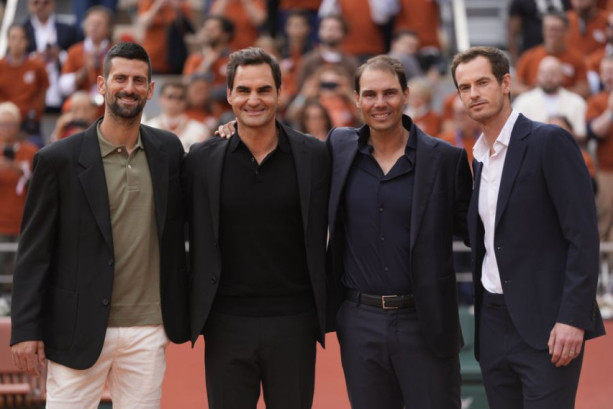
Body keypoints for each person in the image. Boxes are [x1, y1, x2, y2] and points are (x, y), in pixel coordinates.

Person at [10, 42, 189, 409]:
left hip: (148, 327)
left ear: (151, 90)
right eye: (120, 78)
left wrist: (230, 132)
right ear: (102, 84)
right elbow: (34, 251)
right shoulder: (58, 159)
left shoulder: (169, 150)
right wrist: (25, 328)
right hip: (76, 325)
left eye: (138, 80)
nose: (129, 88)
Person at [451, 46, 604, 409]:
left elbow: (583, 237)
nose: (473, 94)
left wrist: (572, 318)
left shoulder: (548, 141)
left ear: (506, 83)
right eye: (464, 87)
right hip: (492, 323)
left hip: (548, 325)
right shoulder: (479, 158)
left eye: (482, 82)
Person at [182, 47, 329, 409]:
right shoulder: (201, 159)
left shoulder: (314, 155)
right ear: (229, 95)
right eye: (244, 90)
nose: (253, 99)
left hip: (295, 321)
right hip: (225, 322)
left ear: (280, 93)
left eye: (264, 90)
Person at [326, 55, 472, 409]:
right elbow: (289, 154)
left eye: (389, 93)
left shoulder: (445, 160)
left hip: (425, 322)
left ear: (406, 95)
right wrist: (235, 130)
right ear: (357, 99)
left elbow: (478, 234)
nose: (380, 103)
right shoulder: (338, 147)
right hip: (359, 321)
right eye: (370, 94)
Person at [0, 102, 37, 288]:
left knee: (19, 273)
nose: (7, 129)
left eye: (11, 124)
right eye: (3, 124)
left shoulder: (30, 152)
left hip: (23, 221)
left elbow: (39, 185)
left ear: (18, 126)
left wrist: (20, 171)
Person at [22, 0, 82, 113]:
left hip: (61, 91)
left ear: (53, 4)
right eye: (36, 2)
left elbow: (78, 56)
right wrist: (34, 58)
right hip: (31, 92)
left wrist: (60, 55)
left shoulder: (68, 30)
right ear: (29, 4)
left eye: (45, 3)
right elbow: (14, 59)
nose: (40, 6)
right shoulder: (22, 30)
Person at [514, 11, 589, 98]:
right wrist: (536, 91)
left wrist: (556, 91)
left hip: (565, 103)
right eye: (549, 29)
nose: (552, 33)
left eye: (556, 29)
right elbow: (515, 87)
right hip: (535, 102)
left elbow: (584, 89)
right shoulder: (529, 57)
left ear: (566, 31)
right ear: (543, 30)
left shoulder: (577, 59)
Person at [513, 55, 587, 139]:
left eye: (553, 73)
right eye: (543, 73)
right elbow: (517, 135)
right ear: (537, 76)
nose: (548, 78)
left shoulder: (577, 102)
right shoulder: (523, 101)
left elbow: (582, 135)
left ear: (562, 76)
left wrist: (563, 132)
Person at [0, 24, 49, 146]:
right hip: (4, 123)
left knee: (36, 148)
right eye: (13, 38)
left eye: (21, 38)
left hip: (29, 124)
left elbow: (42, 92)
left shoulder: (37, 66)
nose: (17, 42)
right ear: (8, 41)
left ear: (27, 42)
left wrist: (36, 114)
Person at [145, 81, 210, 152]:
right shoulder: (148, 128)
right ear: (161, 99)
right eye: (170, 96)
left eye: (180, 97)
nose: (175, 101)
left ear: (186, 100)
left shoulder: (200, 130)